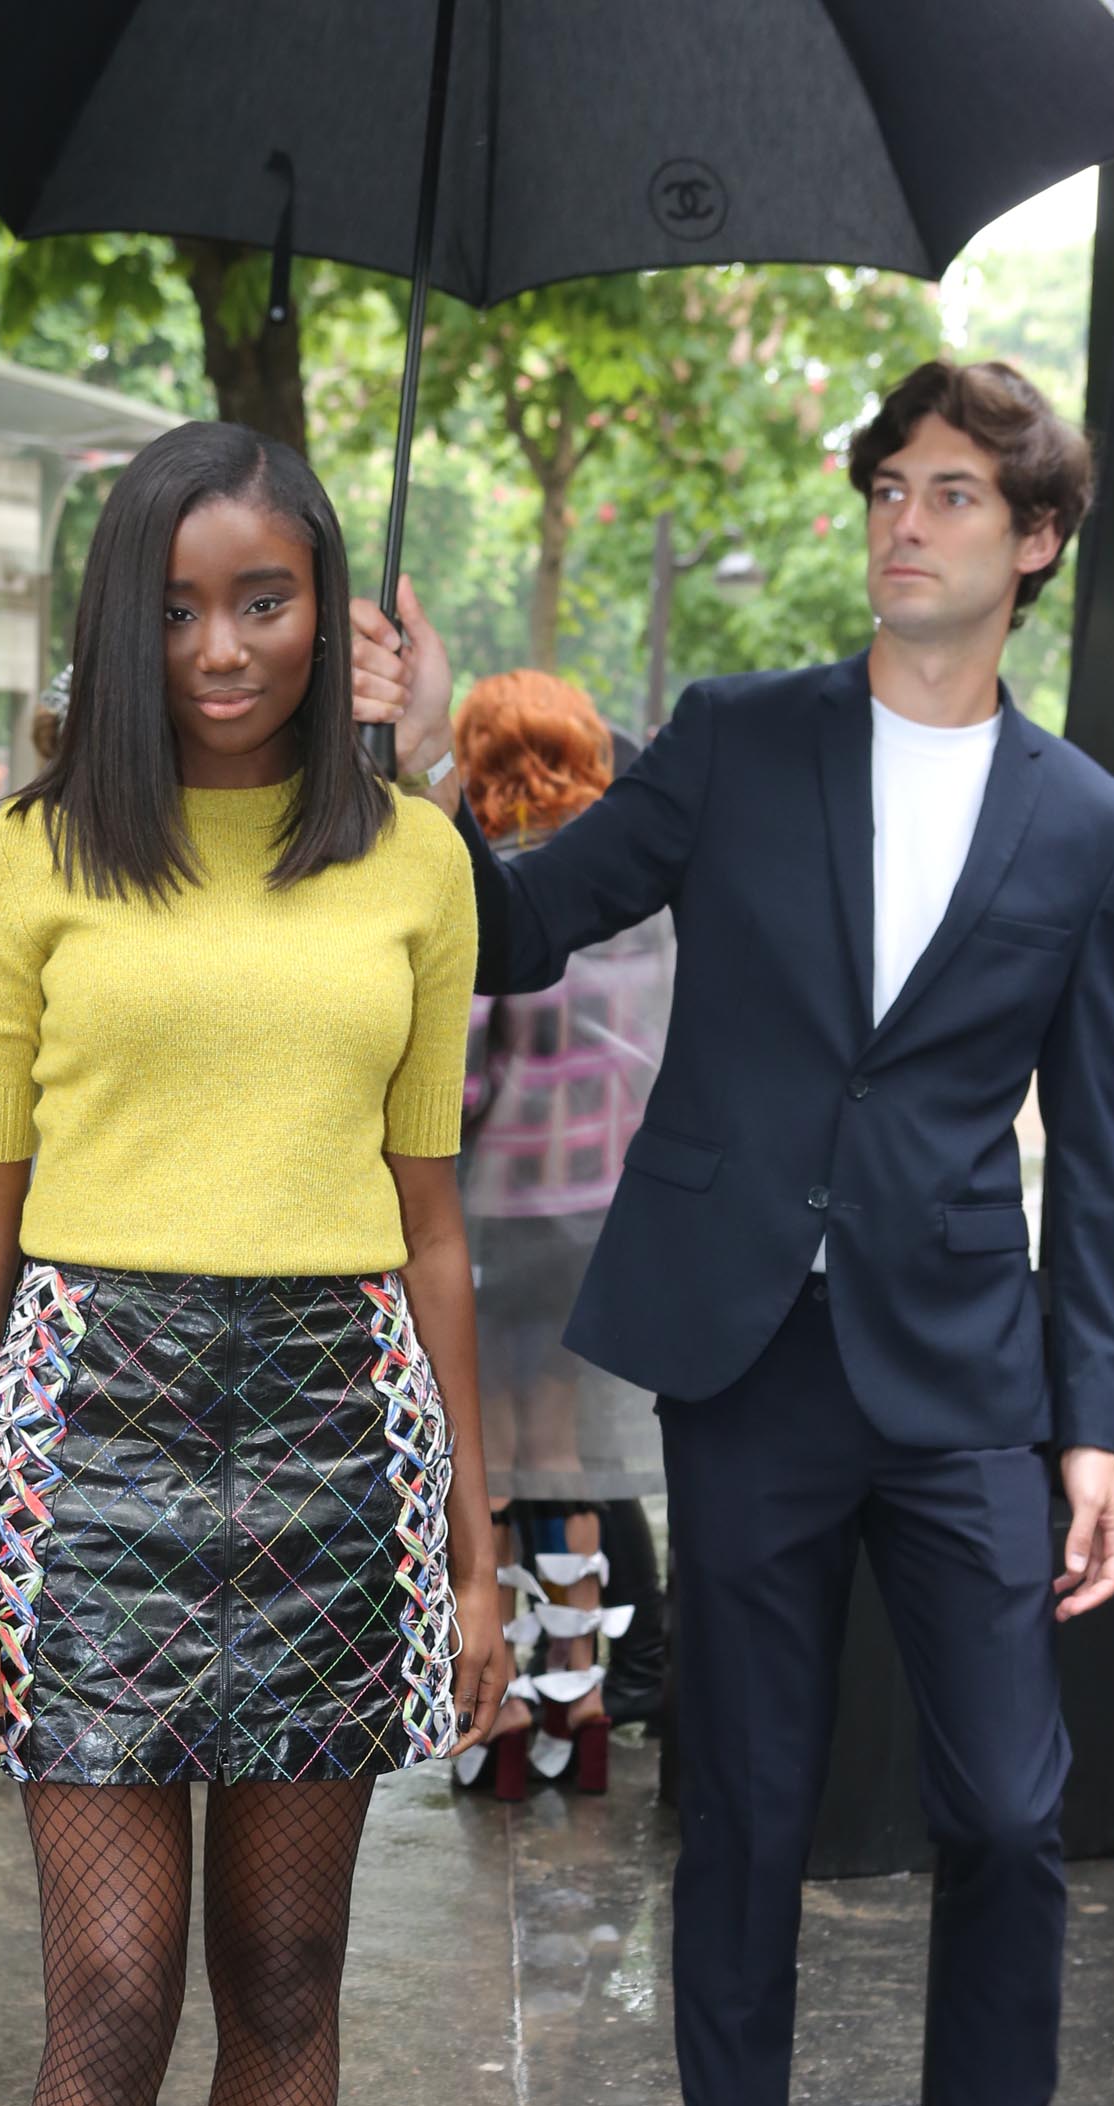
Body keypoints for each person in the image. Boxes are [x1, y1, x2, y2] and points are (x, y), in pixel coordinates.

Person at [353, 357, 1114, 2106]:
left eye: (955, 493)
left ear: (1034, 543)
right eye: (888, 485)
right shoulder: (739, 739)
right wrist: (404, 760)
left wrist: (1091, 1426)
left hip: (963, 1362)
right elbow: (520, 925)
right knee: (755, 1797)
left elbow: (1103, 1142)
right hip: (745, 1349)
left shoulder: (1088, 825)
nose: (906, 519)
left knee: (1006, 1802)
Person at [0, 421, 502, 2106]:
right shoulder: (30, 857)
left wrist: (469, 1553)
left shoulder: (422, 867)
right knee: (108, 1995)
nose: (220, 643)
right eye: (173, 603)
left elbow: (433, 1225)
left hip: (339, 1428)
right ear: (115, 625)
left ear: (332, 608)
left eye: (263, 598)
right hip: (89, 1424)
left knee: (279, 1968)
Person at [453, 670, 674, 1797]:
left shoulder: (502, 893)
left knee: (487, 1468)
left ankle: (487, 1711)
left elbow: (459, 1090)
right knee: (568, 1463)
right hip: (604, 1220)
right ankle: (577, 1697)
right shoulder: (634, 899)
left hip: (498, 1222)